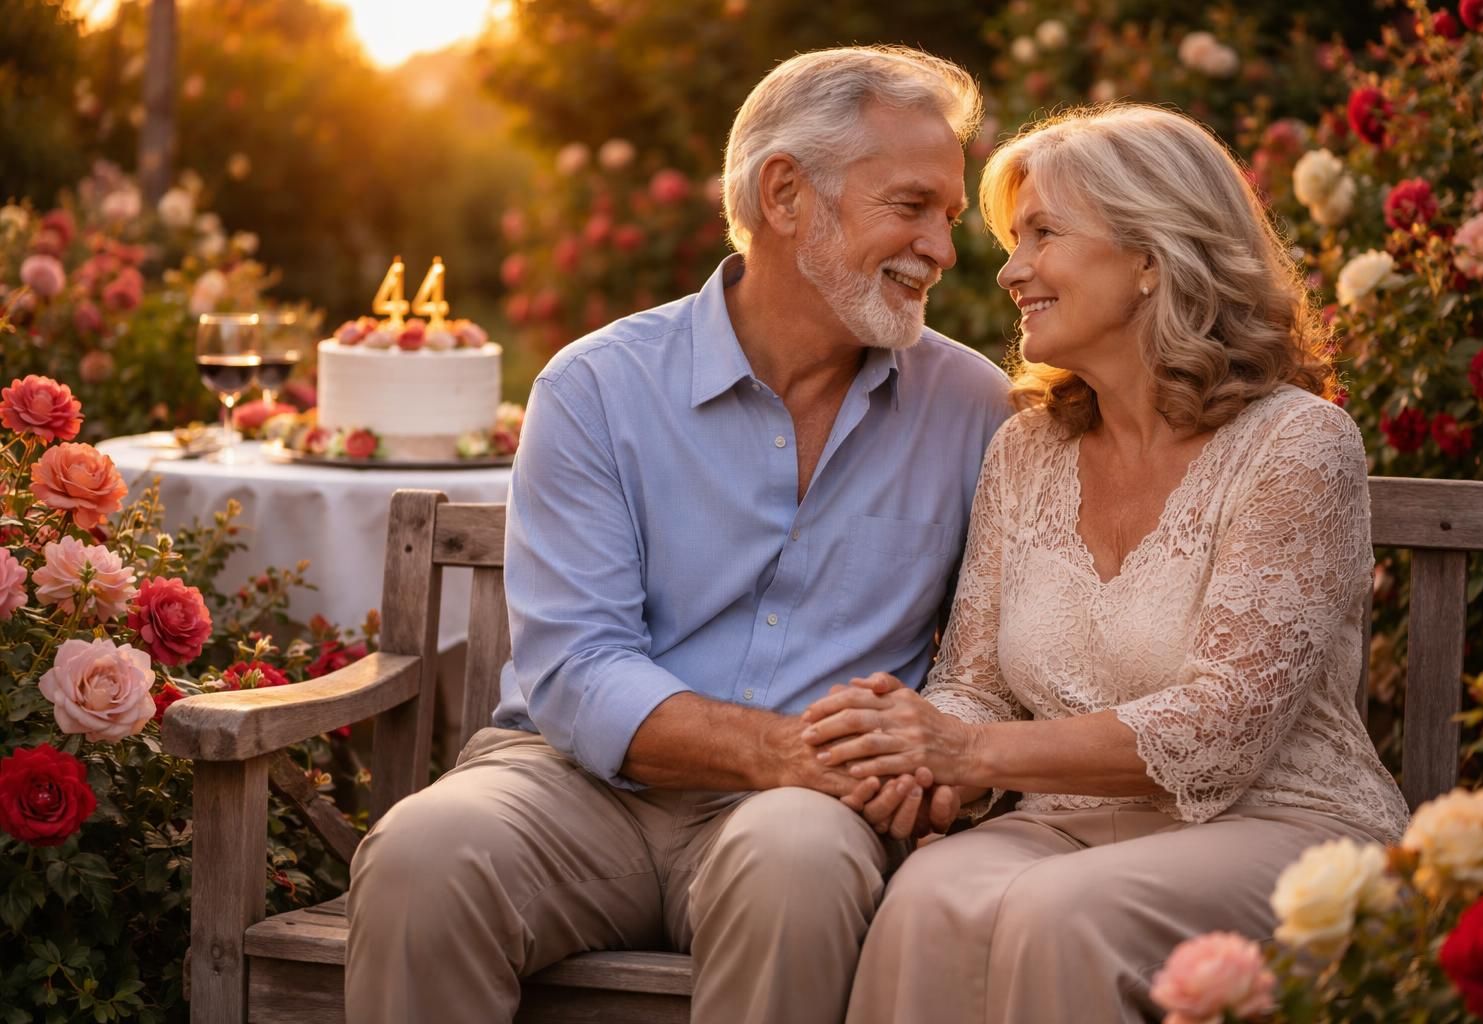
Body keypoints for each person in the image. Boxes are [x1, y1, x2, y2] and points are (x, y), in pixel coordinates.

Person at [343, 46, 1015, 1024]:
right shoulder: (596, 387)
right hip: (574, 785)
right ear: (786, 193)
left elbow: (991, 658)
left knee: (796, 862)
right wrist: (786, 748)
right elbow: (577, 667)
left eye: (949, 219)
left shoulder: (973, 408)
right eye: (911, 206)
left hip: (809, 811)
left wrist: (929, 757)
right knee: (422, 852)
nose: (945, 251)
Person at [800, 103, 1412, 1023]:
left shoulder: (1296, 444)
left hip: (1279, 824)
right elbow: (975, 686)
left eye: (1042, 233)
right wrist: (913, 750)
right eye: (1014, 238)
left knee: (1064, 913)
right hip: (1063, 823)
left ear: (1151, 256)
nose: (1009, 270)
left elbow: (1221, 726)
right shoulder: (1026, 452)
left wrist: (969, 751)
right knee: (927, 899)